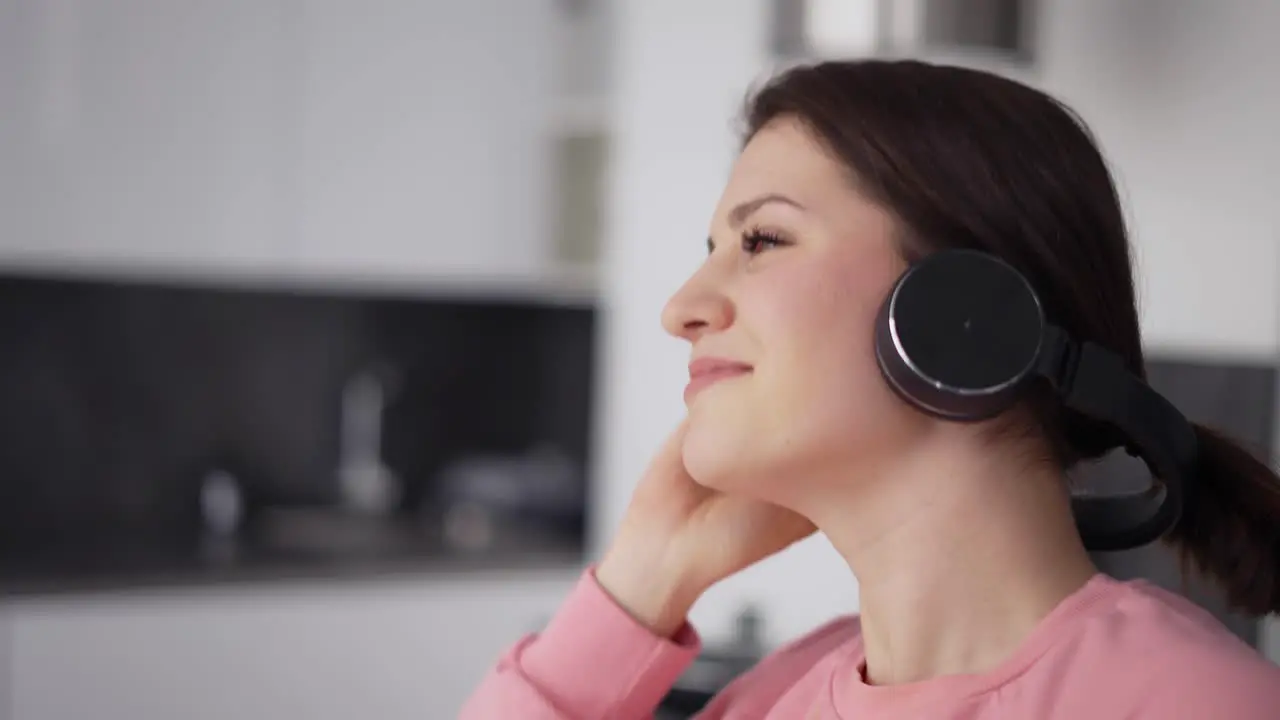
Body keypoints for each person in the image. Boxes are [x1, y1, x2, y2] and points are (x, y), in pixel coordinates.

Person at [459, 59, 1280, 719]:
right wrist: (642, 579)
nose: (681, 310)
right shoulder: (774, 696)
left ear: (964, 316)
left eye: (763, 239)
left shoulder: (1193, 704)